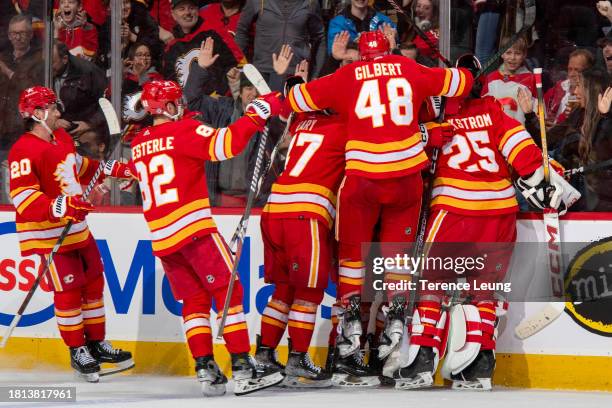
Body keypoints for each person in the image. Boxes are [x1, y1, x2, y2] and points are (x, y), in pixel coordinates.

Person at [286, 30, 473, 370]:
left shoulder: (346, 74)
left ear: (360, 55)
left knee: (352, 254)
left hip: (363, 181)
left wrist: (297, 82)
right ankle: (397, 313)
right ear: (390, 49)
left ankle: (350, 322)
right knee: (397, 258)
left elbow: (296, 100)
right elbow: (462, 83)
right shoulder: (409, 67)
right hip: (406, 181)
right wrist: (466, 71)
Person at [391, 55, 580, 391]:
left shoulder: (438, 118)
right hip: (499, 212)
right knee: (485, 290)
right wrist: (548, 175)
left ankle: (422, 359)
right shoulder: (494, 111)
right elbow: (524, 155)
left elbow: (413, 161)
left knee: (432, 284)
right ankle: (480, 365)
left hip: (454, 210)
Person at [129, 80, 284, 396]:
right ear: (170, 107)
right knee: (229, 291)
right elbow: (225, 144)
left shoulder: (139, 142)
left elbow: (135, 171)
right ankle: (242, 364)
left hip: (162, 238)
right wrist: (256, 113)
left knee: (194, 301)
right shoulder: (183, 130)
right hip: (194, 230)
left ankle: (205, 368)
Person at [8, 86, 134, 382]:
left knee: (93, 284)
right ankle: (77, 349)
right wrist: (61, 205)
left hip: (77, 228)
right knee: (68, 292)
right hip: (47, 234)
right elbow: (23, 198)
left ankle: (96, 344)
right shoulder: (23, 150)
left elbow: (77, 168)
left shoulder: (62, 138)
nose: (57, 113)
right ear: (37, 114)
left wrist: (111, 170)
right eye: (52, 109)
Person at [255, 105, 345, 388]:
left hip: (274, 208)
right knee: (308, 292)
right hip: (306, 211)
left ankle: (265, 356)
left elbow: (287, 111)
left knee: (283, 290)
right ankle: (298, 359)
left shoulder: (303, 122)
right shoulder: (345, 126)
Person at [235, 0, 326, 86]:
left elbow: (319, 38)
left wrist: (315, 76)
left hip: (295, 73)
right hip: (262, 73)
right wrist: (241, 67)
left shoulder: (310, 2)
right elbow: (242, 31)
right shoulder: (259, 1)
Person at [162, 0, 245, 95]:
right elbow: (169, 84)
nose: (187, 12)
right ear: (173, 14)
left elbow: (240, 65)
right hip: (186, 106)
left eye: (191, 8)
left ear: (197, 10)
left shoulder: (215, 33)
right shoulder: (170, 48)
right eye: (182, 9)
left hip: (218, 105)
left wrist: (224, 95)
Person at [0, 14, 43, 154]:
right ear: (8, 35)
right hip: (2, 128)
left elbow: (33, 91)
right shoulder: (3, 57)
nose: (17, 38)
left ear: (30, 35)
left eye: (21, 33)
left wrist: (8, 72)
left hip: (22, 128)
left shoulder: (40, 58)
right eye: (13, 33)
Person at [481, 36, 536, 124]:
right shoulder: (491, 78)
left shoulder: (530, 78)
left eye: (517, 53)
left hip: (518, 134)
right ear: (502, 54)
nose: (512, 57)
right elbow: (482, 111)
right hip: (494, 133)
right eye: (508, 52)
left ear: (524, 55)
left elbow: (539, 119)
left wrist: (530, 113)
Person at [542, 49, 595, 127]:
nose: (571, 74)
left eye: (577, 70)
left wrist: (555, 127)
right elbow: (540, 108)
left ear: (588, 72)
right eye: (570, 69)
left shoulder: (586, 97)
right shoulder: (559, 86)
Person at [327, 0, 396, 56]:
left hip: (379, 68)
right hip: (352, 69)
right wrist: (357, 44)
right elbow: (335, 54)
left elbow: (395, 50)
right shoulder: (337, 23)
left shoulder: (384, 21)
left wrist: (392, 42)